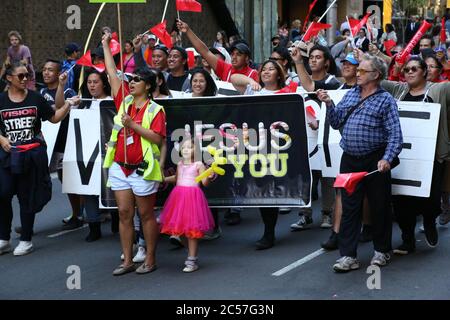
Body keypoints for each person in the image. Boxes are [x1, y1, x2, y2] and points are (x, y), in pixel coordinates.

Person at [317, 53, 403, 272]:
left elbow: (395, 135)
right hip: (350, 160)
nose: (357, 73)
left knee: (379, 206)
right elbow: (336, 123)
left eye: (362, 71)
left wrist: (387, 158)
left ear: (376, 75)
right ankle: (348, 256)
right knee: (349, 207)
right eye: (358, 70)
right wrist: (328, 104)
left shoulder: (386, 100)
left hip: (375, 159)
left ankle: (382, 251)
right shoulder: (351, 94)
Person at [102, 32, 166, 275]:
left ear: (148, 86)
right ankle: (128, 261)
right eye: (131, 78)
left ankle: (150, 259)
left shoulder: (156, 109)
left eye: (137, 80)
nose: (131, 82)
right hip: (120, 165)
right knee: (124, 213)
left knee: (146, 214)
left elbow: (157, 139)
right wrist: (107, 45)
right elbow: (111, 71)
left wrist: (133, 126)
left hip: (142, 167)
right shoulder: (123, 101)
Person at [0, 62, 75, 256]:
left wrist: (68, 103)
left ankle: (25, 240)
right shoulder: (1, 100)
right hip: (7, 157)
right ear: (9, 78)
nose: (25, 79)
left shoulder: (35, 98)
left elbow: (54, 118)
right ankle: (4, 238)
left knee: (26, 197)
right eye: (21, 76)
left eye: (28, 76)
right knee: (3, 194)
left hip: (31, 156)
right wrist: (1, 139)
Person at [381, 56, 450, 253]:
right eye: (406, 70)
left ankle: (430, 221)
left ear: (424, 72)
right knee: (401, 200)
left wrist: (447, 64)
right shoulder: (398, 90)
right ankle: (407, 239)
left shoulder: (439, 90)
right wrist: (378, 57)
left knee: (430, 198)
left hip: (432, 156)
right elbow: (375, 76)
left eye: (414, 69)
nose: (409, 72)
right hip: (402, 155)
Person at [230, 59, 287, 249]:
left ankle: (270, 232)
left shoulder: (288, 92)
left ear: (279, 74)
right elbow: (233, 78)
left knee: (273, 186)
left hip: (279, 147)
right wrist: (249, 81)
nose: (266, 72)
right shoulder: (252, 90)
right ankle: (268, 232)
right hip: (256, 146)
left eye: (272, 69)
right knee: (263, 187)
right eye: (264, 69)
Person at [290, 43, 340, 230]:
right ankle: (305, 214)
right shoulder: (299, 85)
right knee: (306, 176)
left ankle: (327, 214)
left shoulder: (333, 83)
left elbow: (333, 108)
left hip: (325, 137)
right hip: (305, 138)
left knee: (326, 176)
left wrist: (321, 124)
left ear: (327, 63)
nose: (313, 60)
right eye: (311, 57)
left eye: (318, 57)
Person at [39, 60, 84, 231]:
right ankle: (78, 212)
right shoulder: (41, 92)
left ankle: (78, 214)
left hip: (68, 140)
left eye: (50, 70)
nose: (46, 73)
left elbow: (58, 107)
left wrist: (60, 91)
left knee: (71, 179)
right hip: (52, 142)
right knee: (64, 178)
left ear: (59, 74)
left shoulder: (68, 90)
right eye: (44, 69)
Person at [160, 138, 215, 272]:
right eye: (183, 147)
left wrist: (209, 175)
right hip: (178, 199)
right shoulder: (179, 164)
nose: (185, 149)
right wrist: (162, 179)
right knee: (180, 232)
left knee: (192, 231)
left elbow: (205, 183)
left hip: (192, 199)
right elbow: (176, 179)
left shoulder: (198, 165)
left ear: (195, 150)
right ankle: (191, 252)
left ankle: (192, 260)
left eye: (189, 147)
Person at [177, 19, 259, 83]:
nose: (234, 57)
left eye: (238, 54)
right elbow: (205, 51)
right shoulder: (225, 68)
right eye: (232, 54)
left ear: (247, 58)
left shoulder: (253, 74)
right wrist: (188, 31)